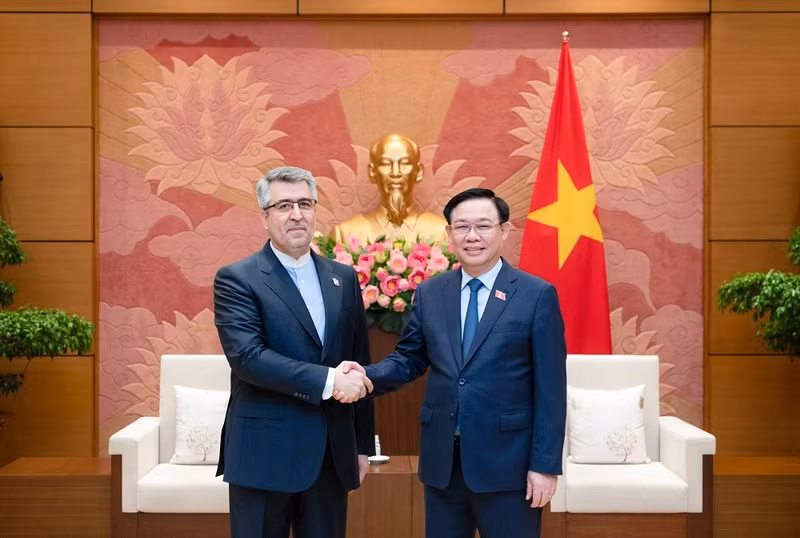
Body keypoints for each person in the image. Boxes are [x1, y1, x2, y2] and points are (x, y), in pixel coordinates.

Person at [337, 188, 567, 538]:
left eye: (483, 226)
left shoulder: (536, 295)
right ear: (448, 234)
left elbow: (551, 390)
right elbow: (409, 358)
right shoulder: (431, 293)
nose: (472, 236)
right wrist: (367, 375)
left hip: (509, 467)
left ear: (504, 231)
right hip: (444, 463)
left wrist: (545, 466)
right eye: (461, 227)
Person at [213, 166, 375, 538]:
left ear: (316, 210)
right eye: (284, 205)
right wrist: (330, 379)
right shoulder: (238, 278)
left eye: (305, 203)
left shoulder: (343, 278)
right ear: (265, 217)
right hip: (264, 453)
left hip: (331, 456)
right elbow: (249, 358)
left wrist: (363, 445)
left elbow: (358, 363)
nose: (297, 214)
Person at [331, 133, 448, 244]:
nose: (395, 173)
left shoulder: (442, 233)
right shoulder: (343, 234)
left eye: (405, 163)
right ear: (372, 172)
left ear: (418, 172)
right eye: (385, 164)